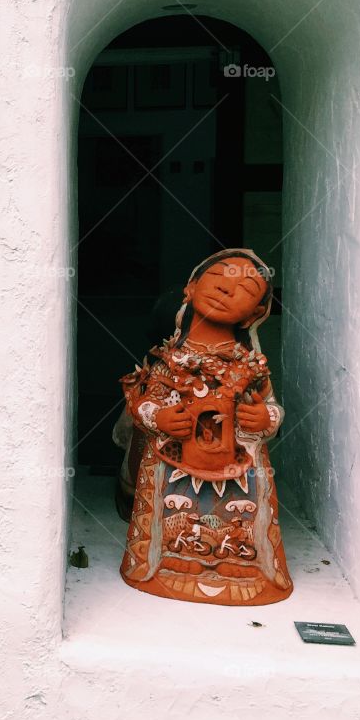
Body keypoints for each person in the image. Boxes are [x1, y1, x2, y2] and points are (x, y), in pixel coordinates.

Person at [118, 248, 293, 605]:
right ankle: (169, 565)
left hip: (238, 469)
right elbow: (144, 404)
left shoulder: (251, 366)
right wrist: (161, 418)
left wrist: (264, 419)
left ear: (257, 312)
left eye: (245, 288)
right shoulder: (168, 360)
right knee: (175, 512)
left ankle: (240, 565)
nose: (228, 289)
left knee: (237, 516)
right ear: (191, 287)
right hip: (174, 464)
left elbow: (272, 408)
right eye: (219, 278)